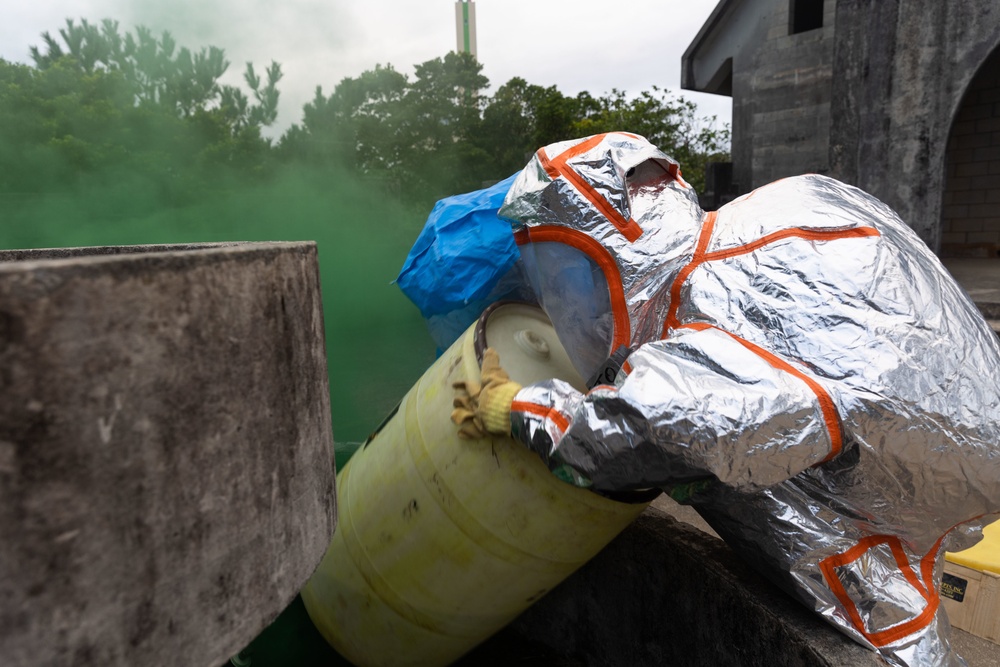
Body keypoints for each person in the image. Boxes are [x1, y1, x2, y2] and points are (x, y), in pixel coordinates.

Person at [451, 132, 1000, 667]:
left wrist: (516, 406)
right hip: (954, 418)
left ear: (618, 245)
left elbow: (642, 430)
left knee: (775, 510)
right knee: (882, 569)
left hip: (907, 466)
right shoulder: (788, 202)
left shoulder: (706, 295)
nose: (571, 301)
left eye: (573, 275)